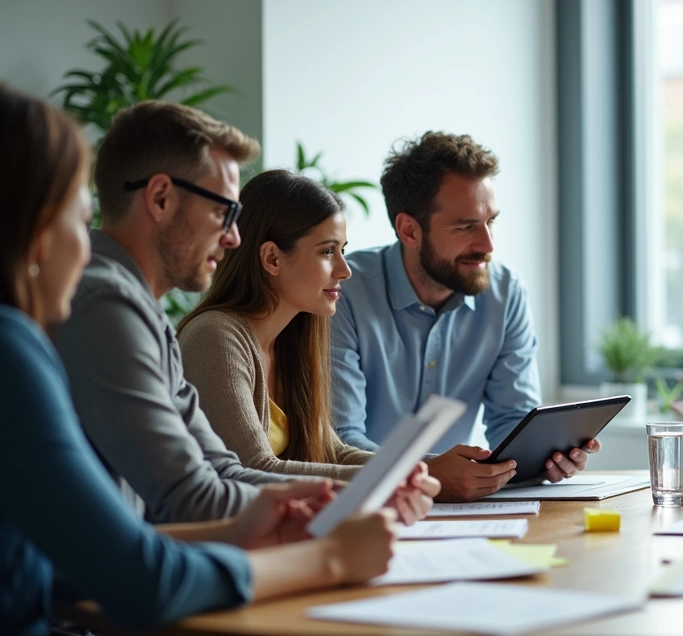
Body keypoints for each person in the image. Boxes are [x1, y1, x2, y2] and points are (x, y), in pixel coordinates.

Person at [0, 82, 406, 636]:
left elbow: (98, 545)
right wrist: (329, 556)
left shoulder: (143, 316)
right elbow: (152, 553)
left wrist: (284, 517)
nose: (235, 237)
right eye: (79, 216)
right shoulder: (72, 319)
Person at [51, 100, 433, 523]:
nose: (234, 238)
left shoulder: (143, 314)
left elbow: (220, 474)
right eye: (223, 211)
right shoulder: (107, 308)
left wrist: (378, 487)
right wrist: (364, 497)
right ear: (160, 198)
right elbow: (192, 497)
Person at [330, 131, 597, 501]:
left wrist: (543, 456)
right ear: (409, 230)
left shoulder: (505, 293)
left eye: (491, 222)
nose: (487, 245)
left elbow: (511, 422)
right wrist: (430, 472)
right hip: (361, 508)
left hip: (459, 511)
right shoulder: (344, 292)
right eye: (465, 226)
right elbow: (339, 441)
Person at [178, 170, 374, 480]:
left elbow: (332, 451)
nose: (345, 270)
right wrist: (395, 479)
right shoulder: (215, 337)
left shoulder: (291, 340)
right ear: (272, 259)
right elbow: (252, 470)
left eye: (343, 250)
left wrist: (429, 469)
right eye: (327, 251)